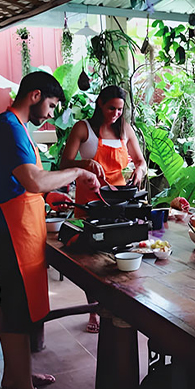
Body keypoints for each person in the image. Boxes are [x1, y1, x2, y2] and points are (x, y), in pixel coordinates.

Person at [0, 71, 100, 389]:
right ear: (34, 96)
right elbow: (32, 179)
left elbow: (24, 180)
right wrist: (77, 173)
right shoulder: (9, 127)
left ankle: (13, 375)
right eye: (49, 105)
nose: (50, 113)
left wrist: (53, 192)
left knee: (11, 303)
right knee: (18, 310)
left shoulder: (11, 126)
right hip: (13, 230)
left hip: (15, 224)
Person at [60, 85, 147, 333]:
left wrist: (139, 171)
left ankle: (117, 305)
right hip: (90, 203)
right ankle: (94, 309)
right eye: (111, 108)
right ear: (100, 103)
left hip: (119, 202)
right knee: (91, 260)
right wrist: (84, 163)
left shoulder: (124, 129)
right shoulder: (83, 128)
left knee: (117, 254)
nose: (115, 114)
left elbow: (140, 161)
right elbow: (64, 163)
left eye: (120, 109)